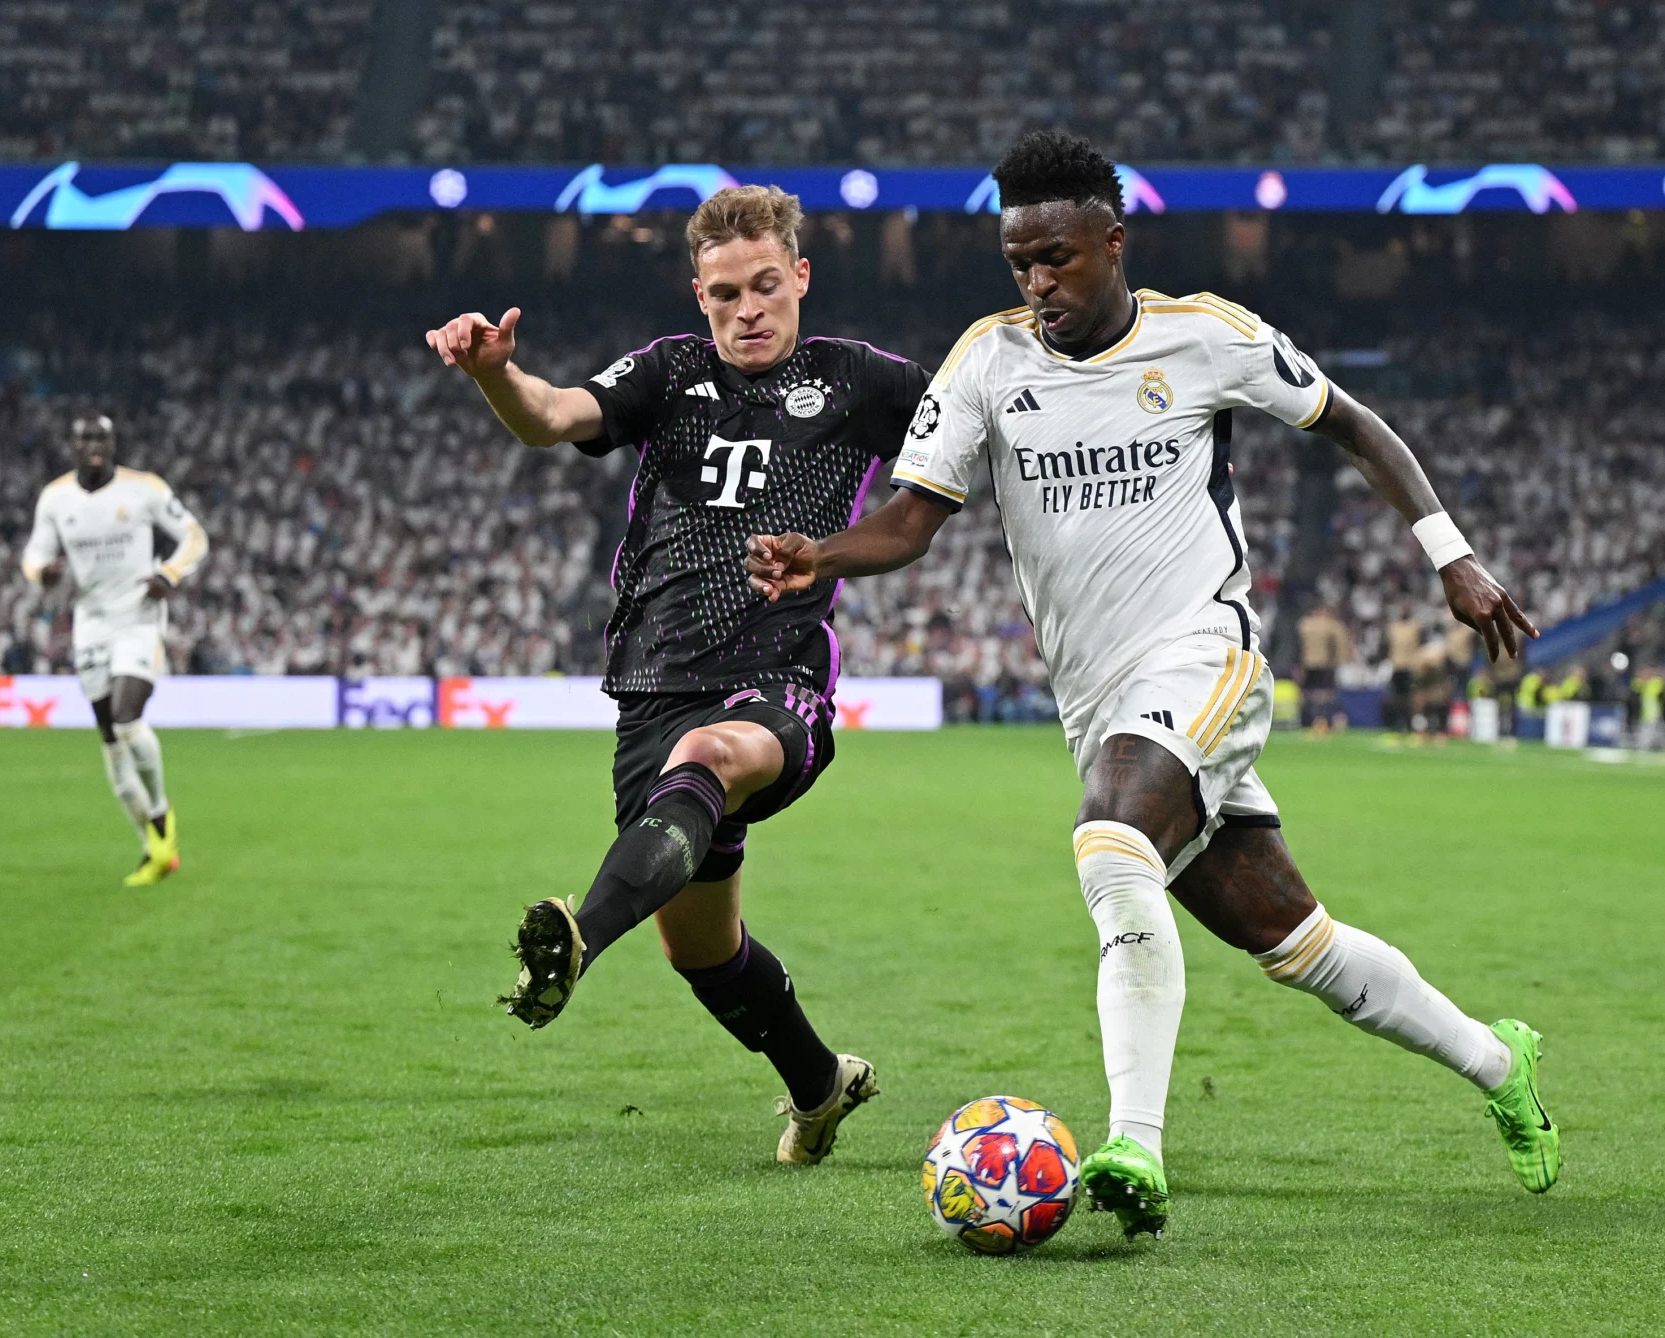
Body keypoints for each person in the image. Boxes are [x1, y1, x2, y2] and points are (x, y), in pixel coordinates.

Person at [747, 130, 1557, 1239]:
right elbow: (911, 519)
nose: (1039, 285)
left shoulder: (1207, 337)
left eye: (1059, 259)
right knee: (1295, 942)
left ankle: (1137, 1144)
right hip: (1099, 703)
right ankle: (1496, 1059)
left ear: (1112, 244)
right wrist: (821, 554)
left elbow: (1355, 426)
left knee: (1108, 843)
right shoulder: (987, 362)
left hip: (1202, 656)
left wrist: (1450, 554)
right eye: (1019, 263)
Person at [423, 185, 928, 1165]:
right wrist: (496, 375)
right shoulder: (669, 372)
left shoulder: (862, 380)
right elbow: (552, 415)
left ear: (802, 278)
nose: (749, 309)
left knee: (712, 754)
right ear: (699, 294)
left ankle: (578, 938)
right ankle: (820, 1084)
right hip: (655, 681)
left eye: (767, 287)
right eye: (727, 292)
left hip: (778, 678)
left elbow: (968, 437)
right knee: (703, 950)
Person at [21, 415, 208, 885]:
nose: (95, 445)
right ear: (73, 445)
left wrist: (170, 574)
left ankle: (163, 819)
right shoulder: (55, 498)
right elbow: (34, 554)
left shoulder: (143, 489)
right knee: (110, 740)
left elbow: (195, 536)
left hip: (139, 620)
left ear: (114, 442)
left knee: (127, 718)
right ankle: (153, 850)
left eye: (102, 437)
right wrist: (40, 574)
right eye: (85, 438)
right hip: (91, 626)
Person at [1295, 599, 1351, 730]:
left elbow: (1301, 646)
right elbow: (1337, 645)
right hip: (1324, 663)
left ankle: (1311, 721)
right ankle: (1321, 721)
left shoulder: (1304, 624)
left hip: (1309, 663)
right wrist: (1336, 660)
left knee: (1310, 694)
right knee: (1324, 694)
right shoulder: (1330, 625)